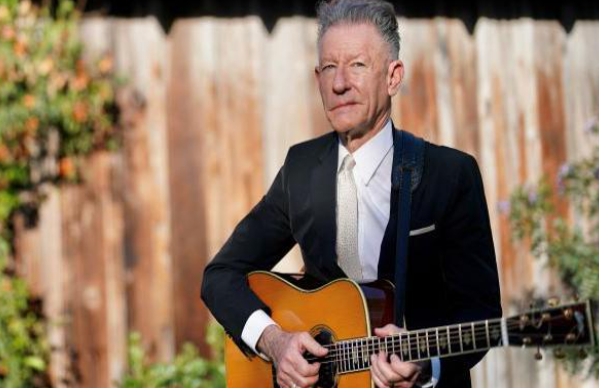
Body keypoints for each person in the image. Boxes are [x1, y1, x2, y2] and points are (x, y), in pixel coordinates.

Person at [201, 0, 502, 387]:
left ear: (393, 78)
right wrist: (274, 341)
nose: (339, 83)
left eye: (357, 65)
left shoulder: (449, 175)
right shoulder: (301, 169)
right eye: (329, 67)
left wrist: (428, 365)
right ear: (317, 78)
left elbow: (482, 314)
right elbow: (220, 276)